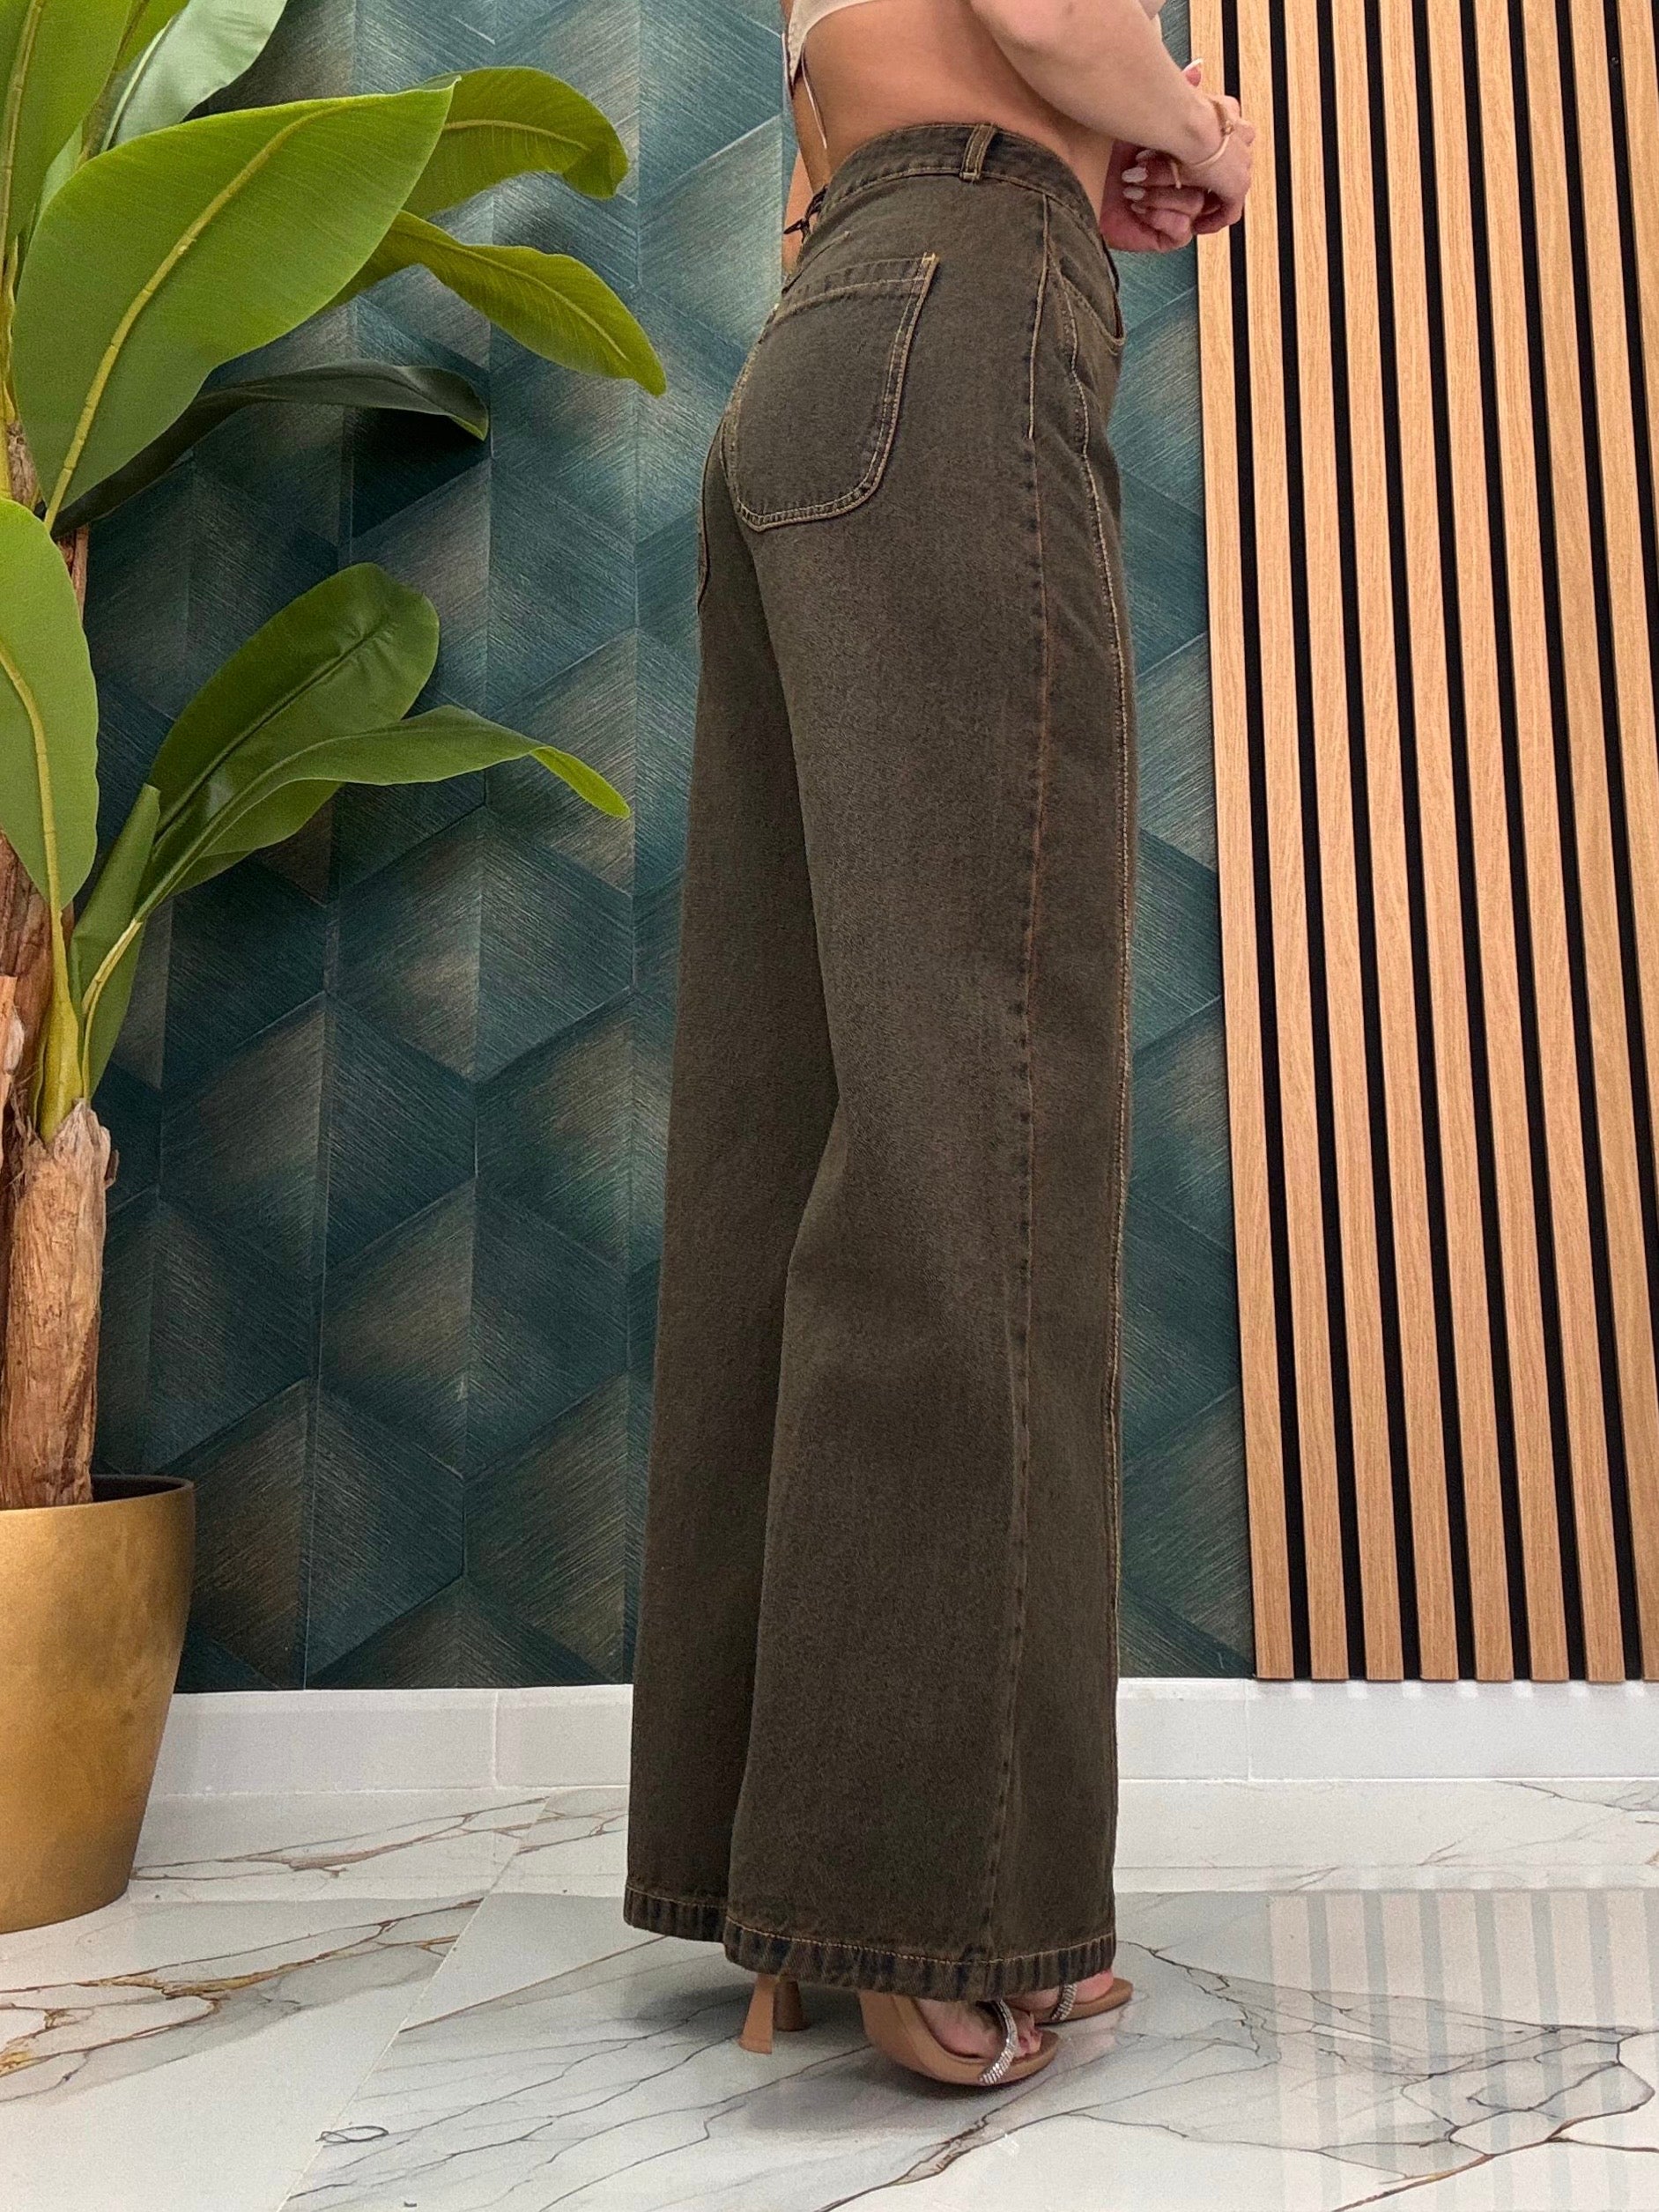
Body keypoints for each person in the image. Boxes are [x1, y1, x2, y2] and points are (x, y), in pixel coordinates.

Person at [624, 0, 1256, 2090]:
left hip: (818, 348)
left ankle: (779, 1870)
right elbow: (1050, 18)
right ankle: (927, 1893)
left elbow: (852, 135)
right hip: (966, 315)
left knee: (796, 1106)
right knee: (980, 1099)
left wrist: (1095, 139)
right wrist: (1194, 131)